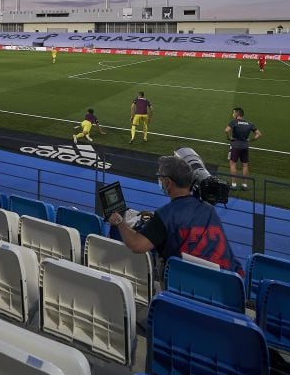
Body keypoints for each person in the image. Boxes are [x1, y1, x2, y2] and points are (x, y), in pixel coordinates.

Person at [107, 153, 240, 272]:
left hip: (190, 286)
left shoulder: (166, 215)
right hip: (230, 283)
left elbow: (137, 246)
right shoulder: (209, 210)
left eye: (161, 177)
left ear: (168, 182)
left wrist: (119, 221)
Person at [225, 107, 262, 190]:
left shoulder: (234, 122)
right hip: (245, 146)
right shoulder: (250, 123)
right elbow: (259, 134)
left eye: (234, 113)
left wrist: (229, 138)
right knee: (245, 165)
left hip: (235, 146)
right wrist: (251, 140)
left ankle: (234, 184)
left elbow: (226, 130)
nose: (233, 114)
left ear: (237, 114)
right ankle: (244, 185)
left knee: (233, 164)